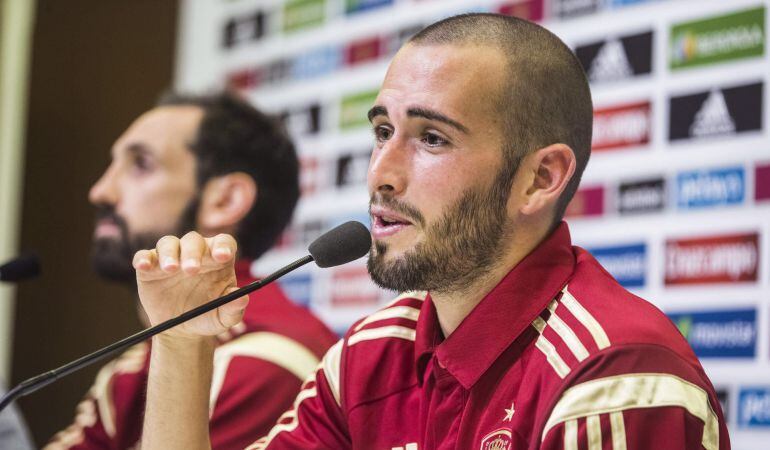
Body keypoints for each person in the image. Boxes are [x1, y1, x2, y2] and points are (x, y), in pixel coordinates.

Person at [132, 14, 729, 450]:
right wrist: (182, 343)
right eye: (382, 131)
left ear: (540, 178)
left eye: (432, 139)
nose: (380, 174)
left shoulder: (617, 377)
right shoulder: (371, 355)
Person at [45, 92, 338, 450]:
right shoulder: (128, 370)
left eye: (141, 165)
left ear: (225, 200)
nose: (100, 191)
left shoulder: (266, 361)